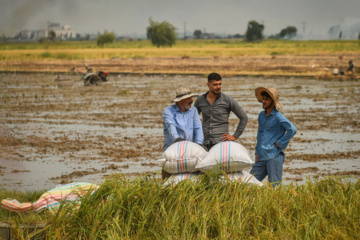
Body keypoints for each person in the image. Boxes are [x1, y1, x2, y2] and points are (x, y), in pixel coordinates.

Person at [250, 87, 297, 188]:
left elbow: (292, 129)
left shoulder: (278, 116)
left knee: (275, 188)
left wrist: (279, 143)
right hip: (262, 156)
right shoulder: (261, 115)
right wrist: (257, 152)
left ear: (273, 101)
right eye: (263, 99)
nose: (263, 101)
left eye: (266, 99)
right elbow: (259, 134)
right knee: (249, 182)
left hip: (274, 156)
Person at [194, 73, 248, 150]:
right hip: (204, 143)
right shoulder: (200, 100)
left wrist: (235, 136)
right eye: (215, 85)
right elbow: (193, 119)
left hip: (221, 143)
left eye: (220, 84)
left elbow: (244, 117)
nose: (218, 87)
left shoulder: (227, 100)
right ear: (208, 85)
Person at [162, 86, 205, 179]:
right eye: (189, 98)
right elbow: (171, 127)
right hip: (173, 153)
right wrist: (177, 139)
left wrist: (199, 144)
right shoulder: (168, 111)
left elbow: (198, 129)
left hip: (191, 153)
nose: (192, 100)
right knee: (168, 181)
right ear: (181, 101)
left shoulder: (193, 111)